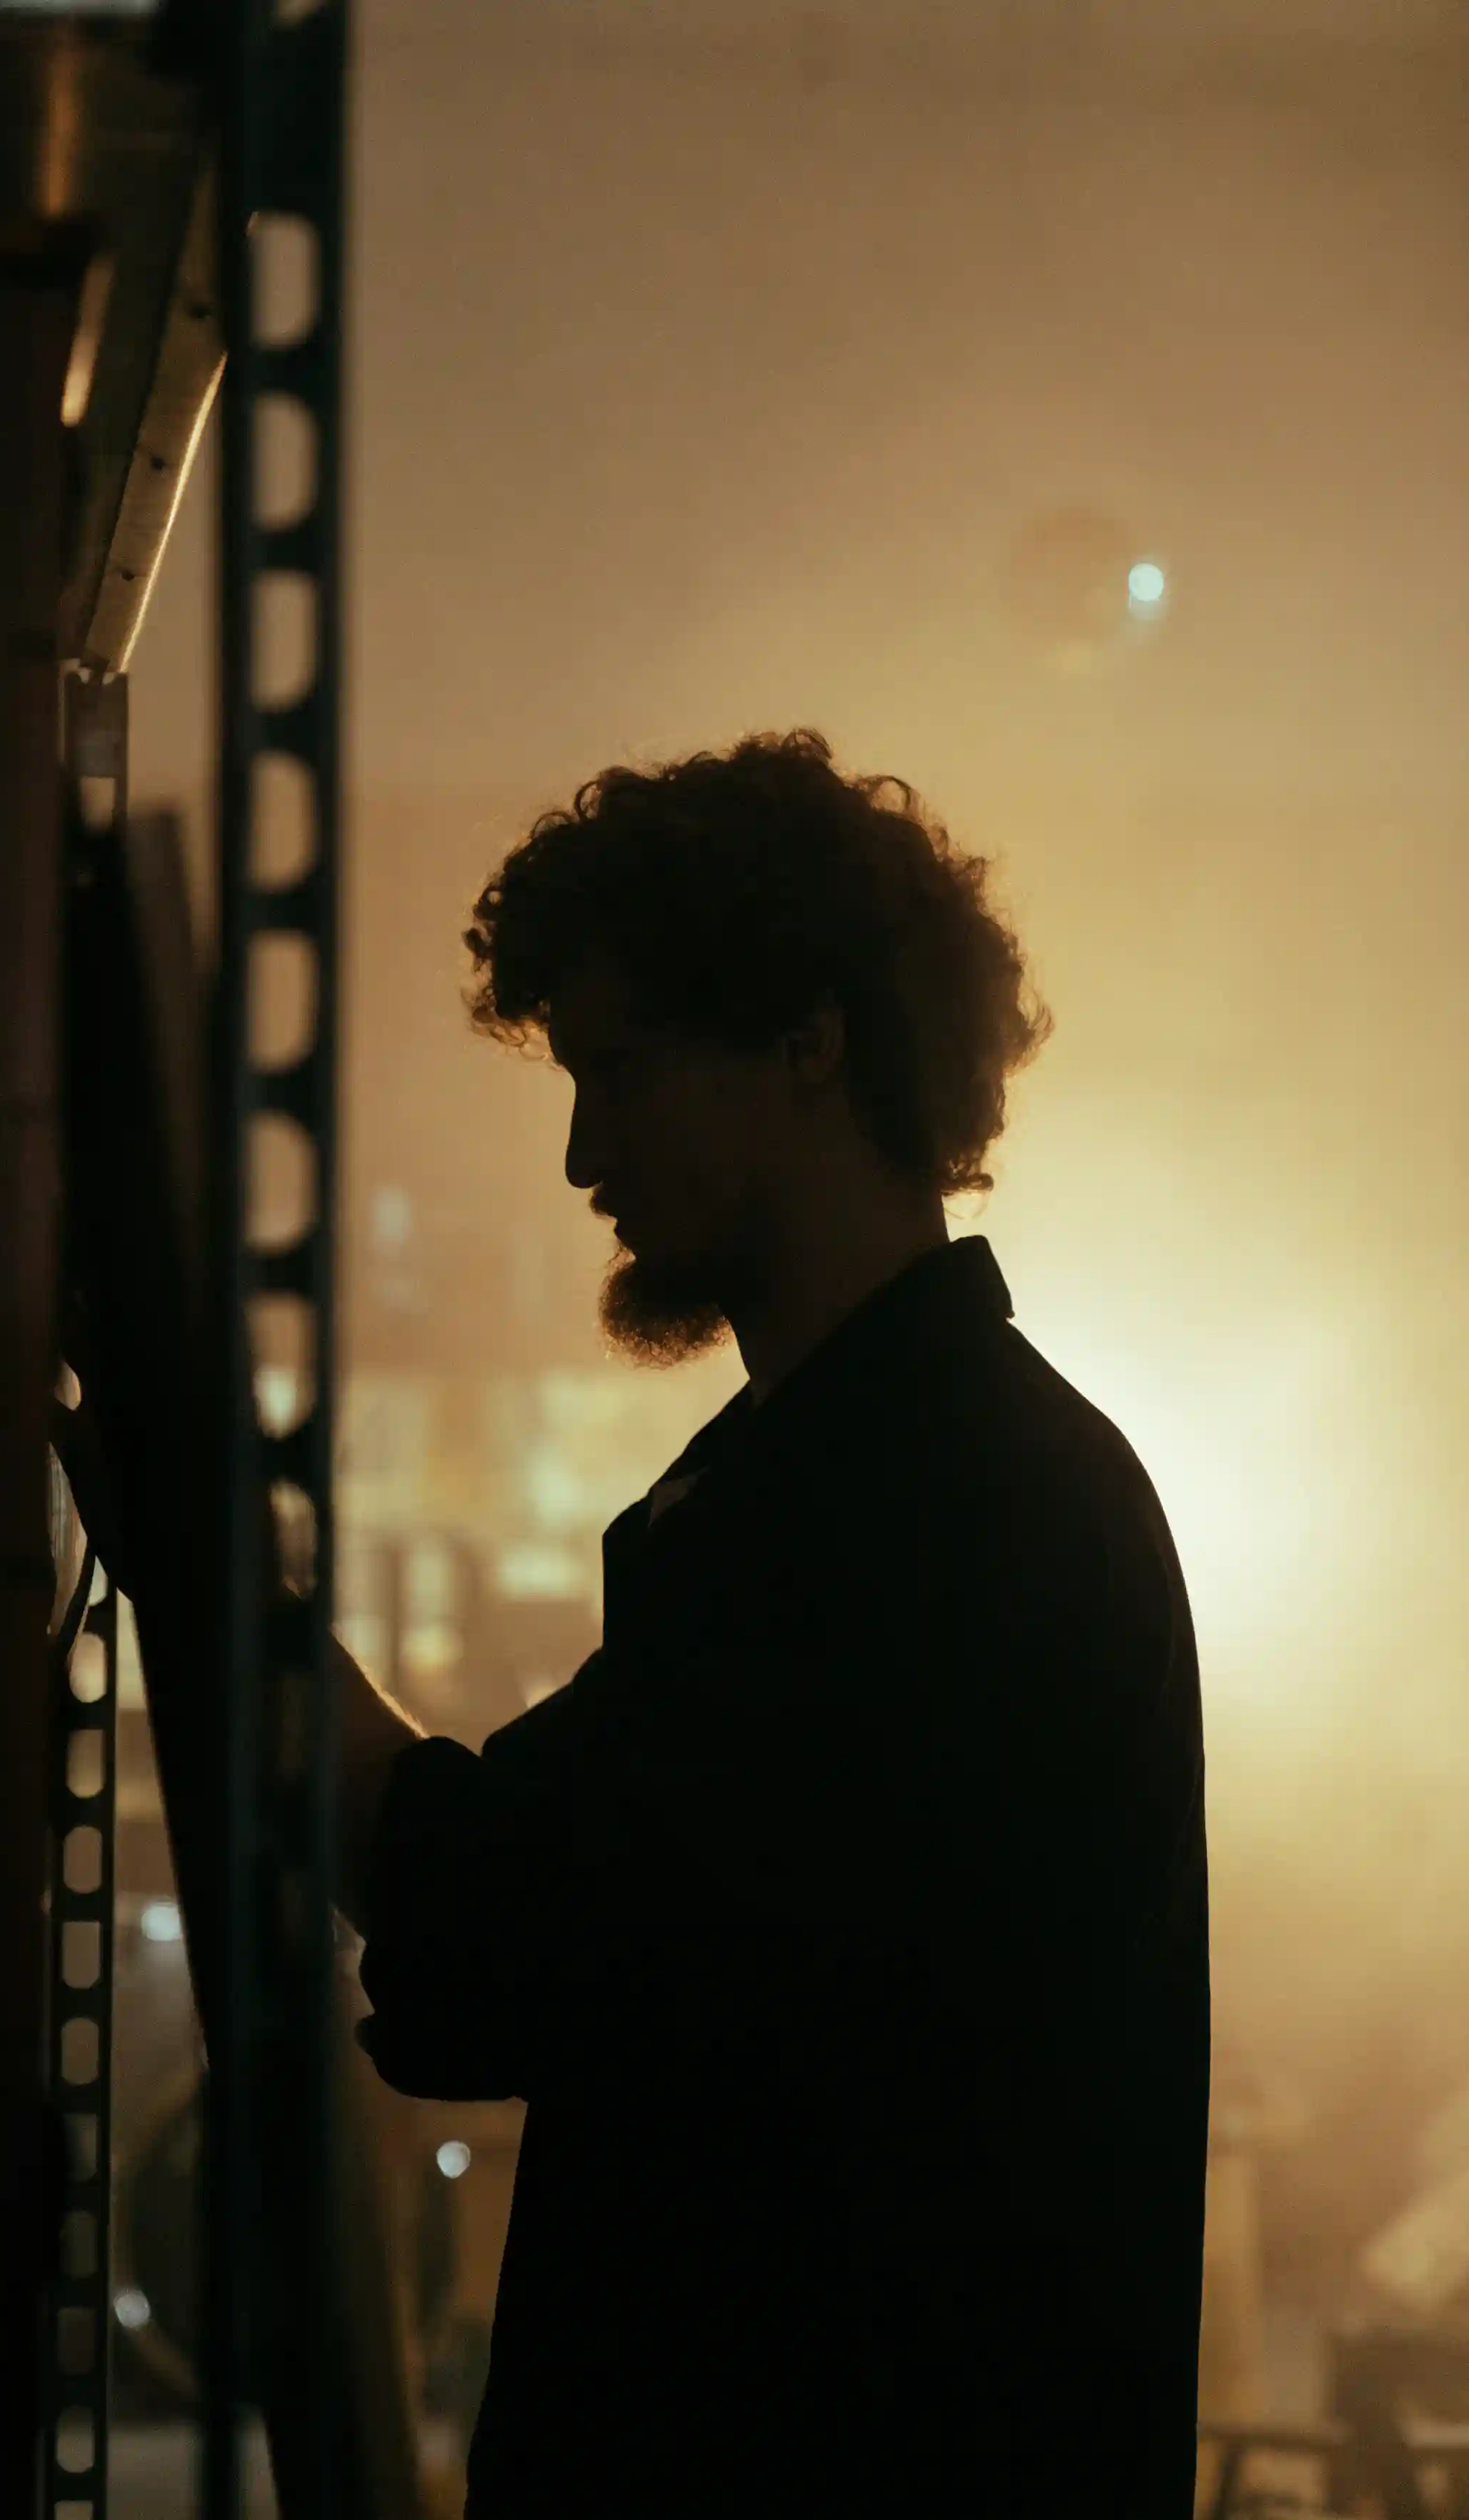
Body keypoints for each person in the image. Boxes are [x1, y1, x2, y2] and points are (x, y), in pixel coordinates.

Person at [331, 729, 1208, 2519]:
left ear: (809, 1043)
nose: (583, 1153)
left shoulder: (930, 1504)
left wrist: (249, 1633)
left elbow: (501, 1940)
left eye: (622, 1071)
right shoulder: (865, 1482)